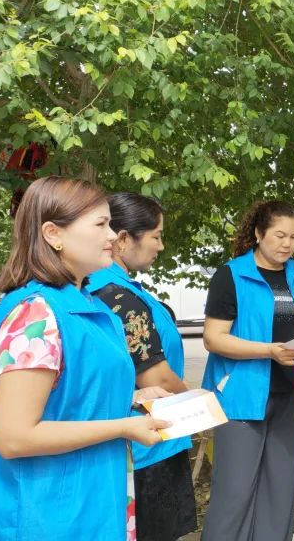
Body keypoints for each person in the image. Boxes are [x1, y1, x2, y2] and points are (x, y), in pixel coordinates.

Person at [0, 176, 169, 540]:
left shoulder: (86, 304)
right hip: (43, 515)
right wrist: (123, 426)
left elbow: (68, 392)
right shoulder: (36, 314)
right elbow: (15, 436)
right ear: (53, 234)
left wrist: (132, 399)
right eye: (100, 224)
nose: (111, 236)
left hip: (84, 503)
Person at [200, 200, 294, 541]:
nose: (287, 244)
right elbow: (213, 338)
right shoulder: (231, 275)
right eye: (279, 235)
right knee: (234, 492)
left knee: (279, 489)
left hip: (289, 395)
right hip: (242, 396)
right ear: (258, 233)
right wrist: (269, 351)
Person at [86, 192, 197, 541]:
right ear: (122, 239)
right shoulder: (118, 297)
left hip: (147, 437)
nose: (160, 246)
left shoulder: (112, 289)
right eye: (156, 236)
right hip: (149, 444)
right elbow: (155, 375)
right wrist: (199, 403)